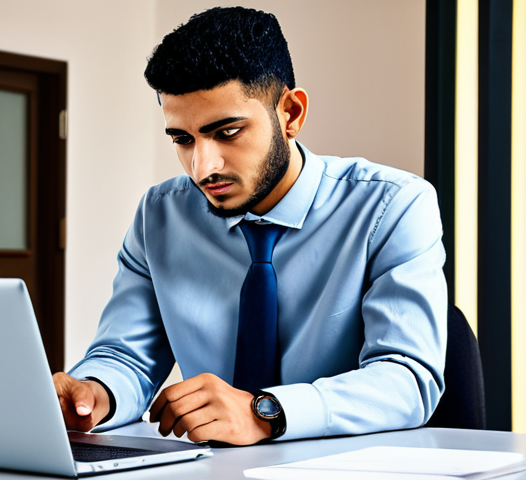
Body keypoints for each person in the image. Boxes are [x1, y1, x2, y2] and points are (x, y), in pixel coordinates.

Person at [53, 6, 447, 446]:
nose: (203, 168)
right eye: (183, 139)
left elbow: (407, 378)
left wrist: (264, 412)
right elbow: (126, 356)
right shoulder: (159, 216)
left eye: (227, 132)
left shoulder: (392, 206)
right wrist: (94, 394)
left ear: (291, 114)